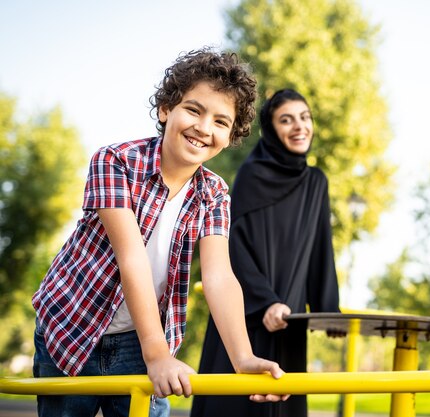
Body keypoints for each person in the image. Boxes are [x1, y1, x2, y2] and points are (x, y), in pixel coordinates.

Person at [31, 47, 289, 417]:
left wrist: (243, 357)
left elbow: (219, 277)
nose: (204, 128)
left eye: (221, 121)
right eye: (194, 110)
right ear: (166, 109)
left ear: (230, 135)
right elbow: (130, 256)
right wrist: (158, 356)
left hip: (141, 341)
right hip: (74, 326)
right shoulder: (116, 161)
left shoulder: (213, 193)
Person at [191, 89, 341, 417]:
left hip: (289, 320)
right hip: (245, 313)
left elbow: (320, 249)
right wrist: (266, 302)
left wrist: (328, 311)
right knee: (235, 405)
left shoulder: (316, 181)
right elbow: (233, 249)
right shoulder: (251, 174)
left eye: (305, 117)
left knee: (282, 403)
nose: (299, 126)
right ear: (272, 130)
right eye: (286, 120)